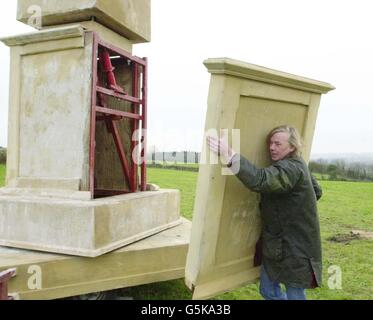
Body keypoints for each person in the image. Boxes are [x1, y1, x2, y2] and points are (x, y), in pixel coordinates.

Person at [207, 125, 323, 300]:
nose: (271, 147)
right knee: (268, 291)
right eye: (271, 143)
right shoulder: (295, 165)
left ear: (292, 147)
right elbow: (317, 191)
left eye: (278, 144)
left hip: (297, 246)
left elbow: (259, 180)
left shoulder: (291, 168)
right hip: (277, 243)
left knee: (295, 295)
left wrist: (229, 154)